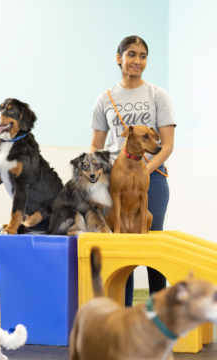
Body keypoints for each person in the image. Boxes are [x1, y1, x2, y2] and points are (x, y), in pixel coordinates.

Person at [89, 36, 176, 306]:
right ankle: (121, 311)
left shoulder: (157, 94)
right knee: (120, 250)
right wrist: (96, 174)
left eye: (143, 56)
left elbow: (166, 145)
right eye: (131, 54)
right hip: (114, 181)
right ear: (119, 58)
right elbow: (96, 144)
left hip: (152, 179)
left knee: (153, 248)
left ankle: (159, 312)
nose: (137, 60)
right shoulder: (105, 98)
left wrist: (144, 170)